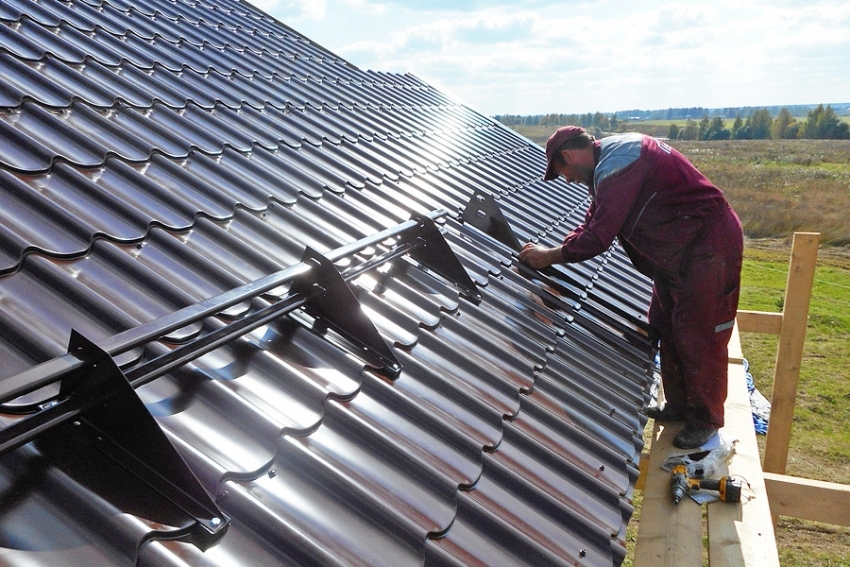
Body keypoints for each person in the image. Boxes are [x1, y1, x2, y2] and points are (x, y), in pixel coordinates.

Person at [519, 126, 743, 449]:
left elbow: (598, 238)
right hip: (679, 252)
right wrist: (555, 249)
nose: (567, 179)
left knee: (698, 330)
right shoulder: (607, 166)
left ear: (568, 155)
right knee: (664, 323)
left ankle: (706, 419)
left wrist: (549, 256)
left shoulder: (619, 165)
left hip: (708, 246)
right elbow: (592, 221)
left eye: (562, 171)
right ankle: (680, 406)